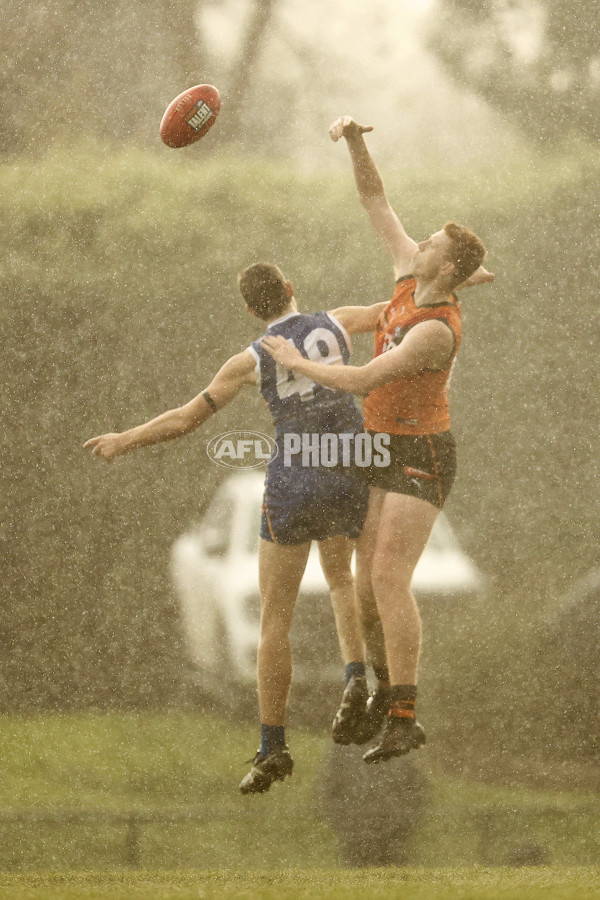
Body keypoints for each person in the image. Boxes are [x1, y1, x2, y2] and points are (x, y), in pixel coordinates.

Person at [83, 261, 386, 792]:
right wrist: (452, 282)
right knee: (343, 580)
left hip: (295, 476)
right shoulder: (337, 323)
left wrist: (124, 439)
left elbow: (185, 418)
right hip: (350, 461)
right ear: (292, 290)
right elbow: (397, 311)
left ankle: (273, 748)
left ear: (250, 309)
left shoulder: (247, 360)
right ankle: (358, 678)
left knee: (275, 618)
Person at [262, 116, 492, 764]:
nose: (416, 240)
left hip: (422, 457)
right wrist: (355, 140)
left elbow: (363, 379)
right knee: (363, 593)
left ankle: (405, 715)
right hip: (378, 448)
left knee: (388, 579)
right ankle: (381, 696)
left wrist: (294, 359)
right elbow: (374, 200)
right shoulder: (407, 276)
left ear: (445, 267)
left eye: (432, 242)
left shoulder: (435, 331)